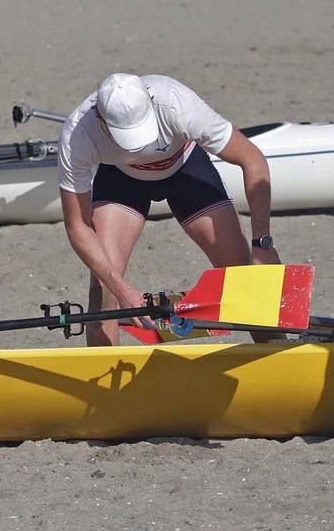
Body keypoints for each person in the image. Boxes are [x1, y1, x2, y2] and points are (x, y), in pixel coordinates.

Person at [57, 73, 277, 347]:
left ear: (150, 102)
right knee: (103, 290)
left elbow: (252, 159)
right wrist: (121, 289)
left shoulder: (176, 102)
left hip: (184, 168)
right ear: (100, 119)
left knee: (244, 274)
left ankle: (275, 354)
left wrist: (263, 242)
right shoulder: (78, 133)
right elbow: (77, 226)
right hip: (121, 179)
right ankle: (102, 378)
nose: (138, 145)